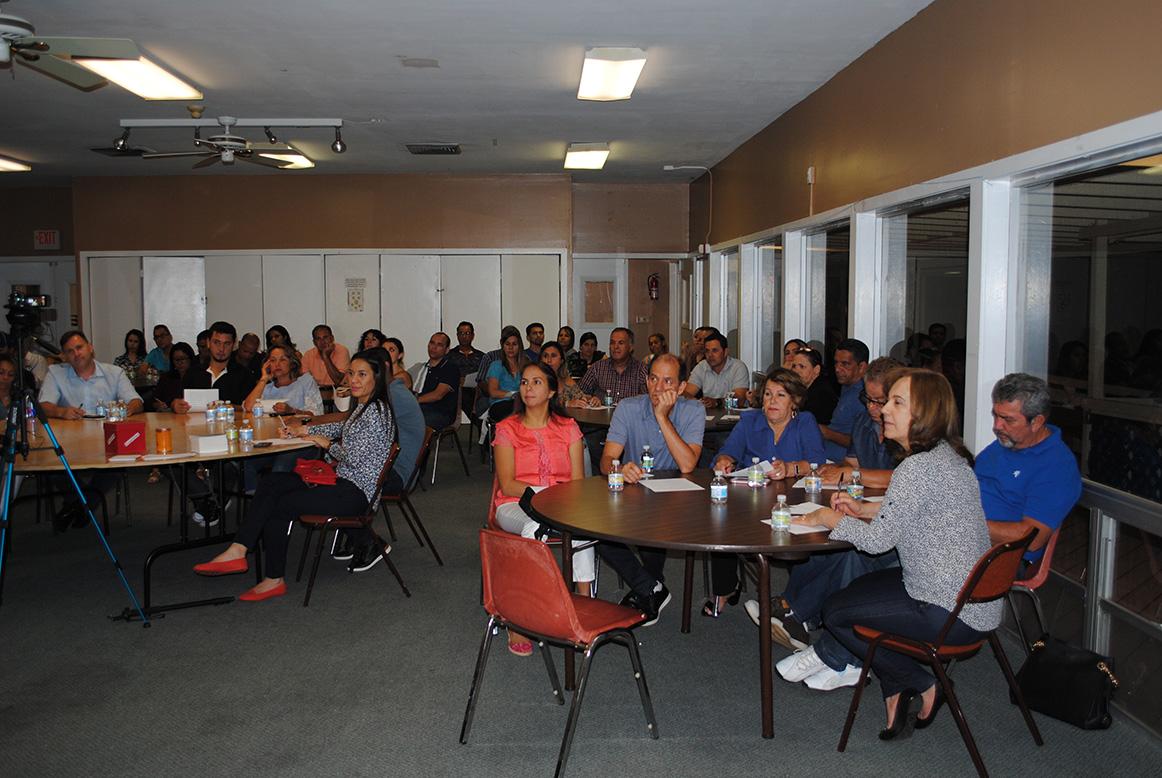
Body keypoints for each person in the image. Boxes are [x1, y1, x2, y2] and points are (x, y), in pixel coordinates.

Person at [778, 370, 999, 738]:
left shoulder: (916, 468)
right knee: (856, 589)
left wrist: (828, 517)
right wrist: (862, 508)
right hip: (971, 600)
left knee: (836, 612)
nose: (883, 411)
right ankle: (896, 688)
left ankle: (920, 682)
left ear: (925, 413)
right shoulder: (949, 458)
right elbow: (913, 511)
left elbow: (876, 542)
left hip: (946, 609)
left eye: (898, 403)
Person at [192, 350, 397, 601]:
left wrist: (325, 443)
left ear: (377, 377)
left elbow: (355, 459)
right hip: (343, 481)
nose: (353, 380)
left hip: (356, 494)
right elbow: (342, 427)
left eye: (362, 375)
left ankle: (273, 578)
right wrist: (305, 430)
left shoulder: (376, 412)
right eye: (352, 373)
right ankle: (238, 548)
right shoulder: (365, 406)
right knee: (272, 482)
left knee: (281, 504)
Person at [745, 359, 901, 660]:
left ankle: (796, 613)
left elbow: (901, 478)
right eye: (868, 399)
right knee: (821, 535)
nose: (872, 407)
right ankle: (790, 608)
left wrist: (850, 475)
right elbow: (852, 465)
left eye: (879, 401)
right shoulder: (864, 422)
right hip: (868, 507)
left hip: (893, 523)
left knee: (849, 551)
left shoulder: (908, 433)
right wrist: (837, 473)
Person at [492, 361, 596, 653]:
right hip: (515, 504)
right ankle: (521, 615)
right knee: (534, 527)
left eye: (537, 382)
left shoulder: (569, 428)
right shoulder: (507, 428)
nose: (528, 388)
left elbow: (578, 482)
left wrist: (559, 500)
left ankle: (582, 605)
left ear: (551, 391)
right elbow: (508, 484)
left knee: (580, 527)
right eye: (524, 382)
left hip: (563, 502)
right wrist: (544, 495)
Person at [705, 369, 826, 616]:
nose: (772, 401)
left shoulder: (805, 422)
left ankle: (793, 602)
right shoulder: (749, 421)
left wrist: (791, 468)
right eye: (768, 394)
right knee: (720, 522)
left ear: (795, 401)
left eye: (781, 395)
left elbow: (818, 462)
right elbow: (728, 452)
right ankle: (725, 588)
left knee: (802, 539)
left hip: (794, 501)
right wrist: (724, 460)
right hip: (750, 500)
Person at [595, 354, 705, 626]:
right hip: (635, 492)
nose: (658, 388)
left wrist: (662, 417)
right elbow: (606, 460)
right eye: (653, 379)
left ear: (681, 387)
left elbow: (688, 464)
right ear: (646, 380)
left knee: (658, 521)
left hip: (677, 498)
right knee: (593, 529)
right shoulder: (628, 407)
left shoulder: (693, 410)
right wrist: (619, 468)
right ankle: (651, 586)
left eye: (668, 381)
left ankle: (649, 589)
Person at [38, 330, 143, 531]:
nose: (76, 354)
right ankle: (84, 505)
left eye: (79, 348)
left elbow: (136, 401)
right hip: (68, 441)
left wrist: (127, 409)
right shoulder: (56, 373)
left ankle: (79, 506)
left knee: (120, 460)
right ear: (64, 355)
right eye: (70, 351)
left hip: (105, 439)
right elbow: (43, 406)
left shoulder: (114, 372)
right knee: (50, 462)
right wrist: (61, 411)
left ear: (90, 348)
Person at [976, 373, 1081, 566]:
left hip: (1001, 559)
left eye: (1008, 419)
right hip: (966, 542)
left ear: (1037, 422)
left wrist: (963, 522)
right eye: (996, 415)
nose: (997, 426)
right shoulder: (1005, 444)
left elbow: (1031, 538)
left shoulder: (1057, 466)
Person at [172, 321, 257, 411]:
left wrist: (229, 407)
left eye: (227, 344)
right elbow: (177, 400)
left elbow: (250, 408)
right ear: (208, 343)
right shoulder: (193, 373)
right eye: (217, 342)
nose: (221, 349)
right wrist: (175, 405)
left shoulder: (244, 375)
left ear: (233, 345)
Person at [819, 338, 868, 463]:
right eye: (836, 363)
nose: (837, 369)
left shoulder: (864, 396)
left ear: (862, 367)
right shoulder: (847, 387)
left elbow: (864, 443)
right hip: (824, 457)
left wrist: (827, 433)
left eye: (845, 364)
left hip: (841, 464)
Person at [241, 345, 323, 416]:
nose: (277, 364)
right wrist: (264, 379)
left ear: (292, 363)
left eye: (282, 360)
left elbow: (316, 414)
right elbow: (248, 407)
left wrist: (291, 411)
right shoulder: (266, 388)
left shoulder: (305, 381)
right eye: (273, 360)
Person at [578, 327, 648, 401]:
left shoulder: (641, 370)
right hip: (602, 409)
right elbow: (579, 394)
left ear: (630, 347)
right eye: (612, 343)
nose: (616, 347)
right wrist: (590, 399)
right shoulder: (597, 368)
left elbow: (649, 400)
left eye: (621, 343)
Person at [683, 332, 750, 409]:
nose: (710, 355)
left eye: (715, 351)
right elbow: (686, 393)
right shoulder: (701, 367)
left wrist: (717, 402)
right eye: (707, 351)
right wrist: (696, 401)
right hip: (708, 414)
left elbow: (740, 399)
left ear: (725, 352)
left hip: (733, 414)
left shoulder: (738, 367)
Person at [413, 331, 460, 430]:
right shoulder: (421, 368)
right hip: (420, 407)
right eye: (432, 343)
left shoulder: (450, 368)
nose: (434, 347)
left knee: (409, 418)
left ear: (447, 350)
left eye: (439, 345)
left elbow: (437, 395)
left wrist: (413, 400)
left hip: (440, 413)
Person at [484, 326, 525, 422]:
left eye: (514, 344)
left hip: (521, 403)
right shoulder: (496, 365)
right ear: (502, 345)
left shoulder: (525, 366)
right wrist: (513, 394)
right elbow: (493, 392)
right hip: (500, 404)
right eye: (507, 344)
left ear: (519, 346)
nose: (510, 348)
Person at [789, 347, 838, 428]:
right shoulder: (804, 390)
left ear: (816, 370)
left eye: (802, 366)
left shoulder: (822, 394)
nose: (796, 371)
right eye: (794, 366)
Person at [539, 342, 598, 408]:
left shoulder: (566, 379)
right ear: (540, 360)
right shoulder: (536, 380)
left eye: (553, 356)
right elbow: (541, 402)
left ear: (561, 361)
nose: (549, 360)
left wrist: (592, 400)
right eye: (545, 356)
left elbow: (581, 397)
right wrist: (567, 403)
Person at [301, 324, 351, 398]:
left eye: (325, 337)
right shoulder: (308, 354)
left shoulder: (342, 351)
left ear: (332, 338)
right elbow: (305, 381)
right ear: (314, 342)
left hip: (338, 394)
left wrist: (326, 357)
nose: (322, 342)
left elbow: (339, 381)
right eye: (318, 339)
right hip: (316, 394)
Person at [152, 342, 197, 411]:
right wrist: (158, 405)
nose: (180, 363)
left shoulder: (199, 377)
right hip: (168, 415)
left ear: (190, 359)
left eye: (183, 359)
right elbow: (154, 400)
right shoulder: (166, 377)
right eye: (176, 360)